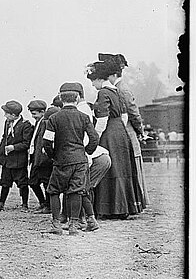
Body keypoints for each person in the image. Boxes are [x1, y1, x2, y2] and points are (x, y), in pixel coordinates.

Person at [87, 60, 144, 218]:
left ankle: (109, 209)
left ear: (99, 79)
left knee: (110, 169)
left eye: (93, 82)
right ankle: (124, 207)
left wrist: (95, 138)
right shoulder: (116, 91)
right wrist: (118, 129)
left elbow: (103, 119)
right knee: (121, 168)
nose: (93, 85)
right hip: (120, 132)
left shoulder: (103, 93)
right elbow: (124, 116)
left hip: (109, 133)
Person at [42, 87, 100, 235]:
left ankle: (56, 225)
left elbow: (46, 142)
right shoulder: (84, 117)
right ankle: (73, 226)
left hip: (61, 160)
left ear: (61, 100)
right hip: (80, 160)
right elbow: (94, 137)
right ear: (76, 100)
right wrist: (86, 151)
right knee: (76, 191)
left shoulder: (54, 118)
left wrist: (53, 155)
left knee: (54, 191)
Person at [101, 53, 147, 209]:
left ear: (114, 74)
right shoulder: (118, 88)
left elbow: (133, 112)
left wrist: (140, 130)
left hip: (126, 130)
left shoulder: (121, 89)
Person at [0, 100, 33, 211]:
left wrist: (13, 147)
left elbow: (26, 143)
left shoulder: (25, 125)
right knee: (5, 182)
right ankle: (1, 203)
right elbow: (4, 137)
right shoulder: (7, 123)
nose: (4, 115)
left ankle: (25, 204)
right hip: (7, 160)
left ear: (13, 115)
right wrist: (0, 151)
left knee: (22, 183)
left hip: (19, 161)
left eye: (6, 113)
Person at [27, 101, 54, 213]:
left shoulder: (45, 123)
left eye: (35, 114)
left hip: (43, 158)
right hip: (35, 157)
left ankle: (48, 206)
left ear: (42, 112)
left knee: (46, 182)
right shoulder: (38, 123)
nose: (33, 116)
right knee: (33, 182)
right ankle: (42, 203)